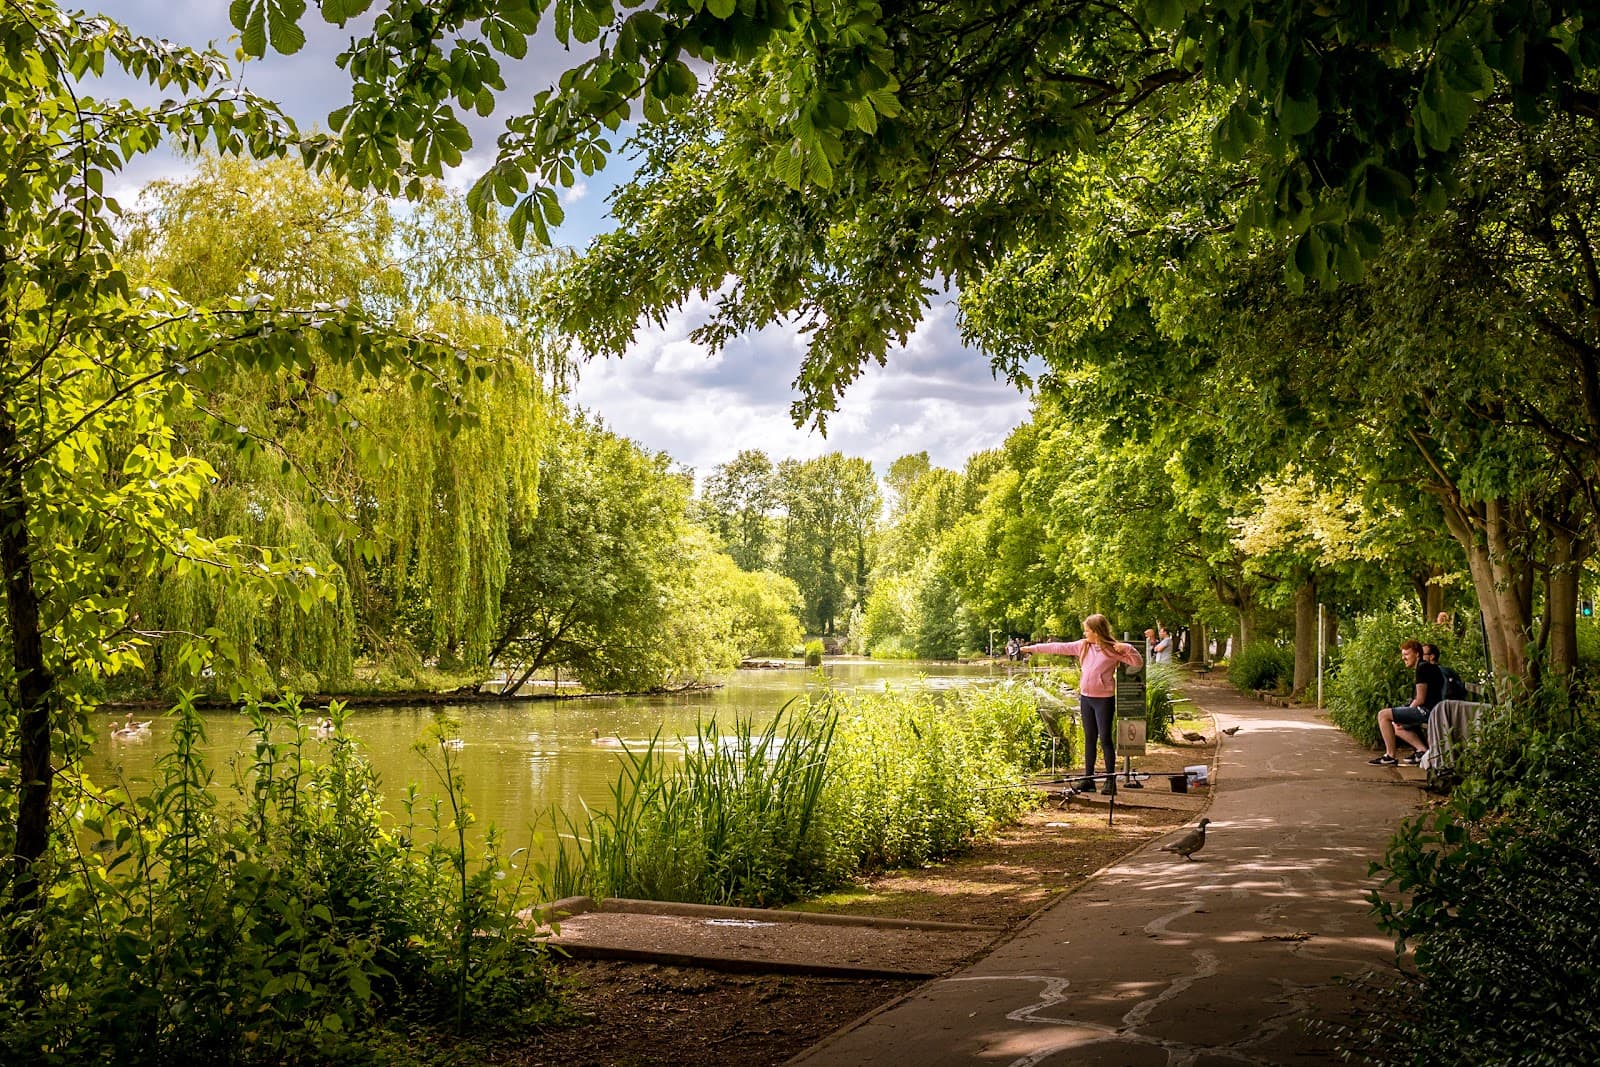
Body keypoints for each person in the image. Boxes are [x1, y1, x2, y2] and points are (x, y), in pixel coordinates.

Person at [1023, 615, 1144, 793]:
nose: (1084, 632)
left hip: (1104, 699)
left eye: (1087, 630)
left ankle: (1110, 782)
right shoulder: (1083, 646)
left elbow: (1137, 663)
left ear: (1096, 632)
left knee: (1105, 739)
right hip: (1086, 698)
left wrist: (1127, 648)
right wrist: (1032, 649)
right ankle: (1089, 780)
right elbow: (1057, 647)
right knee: (1089, 738)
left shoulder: (1113, 649)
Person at [1369, 639, 1442, 766]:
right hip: (1434, 710)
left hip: (1428, 712)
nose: (1404, 658)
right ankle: (1422, 750)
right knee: (1395, 724)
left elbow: (1420, 699)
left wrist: (1405, 713)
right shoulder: (1425, 667)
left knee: (1383, 715)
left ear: (1417, 654)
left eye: (1406, 654)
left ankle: (1390, 755)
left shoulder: (1422, 668)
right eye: (1403, 655)